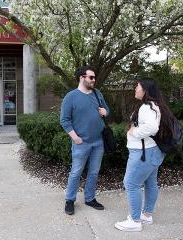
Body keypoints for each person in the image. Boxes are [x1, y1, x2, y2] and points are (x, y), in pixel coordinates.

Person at [115, 78, 171, 232]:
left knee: (131, 184)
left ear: (145, 89)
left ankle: (134, 220)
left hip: (143, 153)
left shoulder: (147, 107)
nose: (135, 89)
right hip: (151, 152)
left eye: (137, 86)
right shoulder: (153, 105)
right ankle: (146, 215)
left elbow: (152, 128)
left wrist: (134, 131)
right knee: (150, 183)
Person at [60, 65, 109, 215]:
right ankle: (70, 200)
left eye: (94, 77)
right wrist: (75, 138)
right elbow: (65, 120)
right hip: (81, 143)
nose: (94, 80)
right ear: (82, 77)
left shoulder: (97, 93)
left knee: (94, 172)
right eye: (91, 77)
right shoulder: (71, 97)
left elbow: (107, 110)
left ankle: (89, 198)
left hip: (98, 142)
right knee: (76, 172)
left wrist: (105, 112)